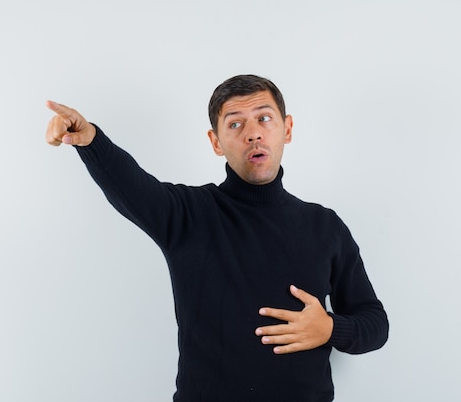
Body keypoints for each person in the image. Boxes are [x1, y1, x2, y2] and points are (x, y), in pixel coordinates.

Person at [45, 74, 389, 401]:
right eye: (235, 124)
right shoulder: (188, 215)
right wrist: (89, 139)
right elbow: (131, 185)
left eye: (264, 119)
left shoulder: (325, 226)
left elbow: (374, 323)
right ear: (216, 142)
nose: (253, 134)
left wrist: (329, 329)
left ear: (287, 129)